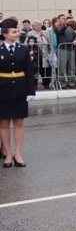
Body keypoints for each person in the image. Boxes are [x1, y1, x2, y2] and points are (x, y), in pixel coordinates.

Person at [0, 18, 37, 167]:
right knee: (3, 123)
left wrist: (31, 90)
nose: (18, 33)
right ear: (5, 34)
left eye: (18, 31)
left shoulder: (23, 49)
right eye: (14, 31)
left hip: (20, 89)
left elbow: (29, 70)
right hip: (2, 90)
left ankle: (18, 153)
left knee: (19, 122)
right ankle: (8, 153)